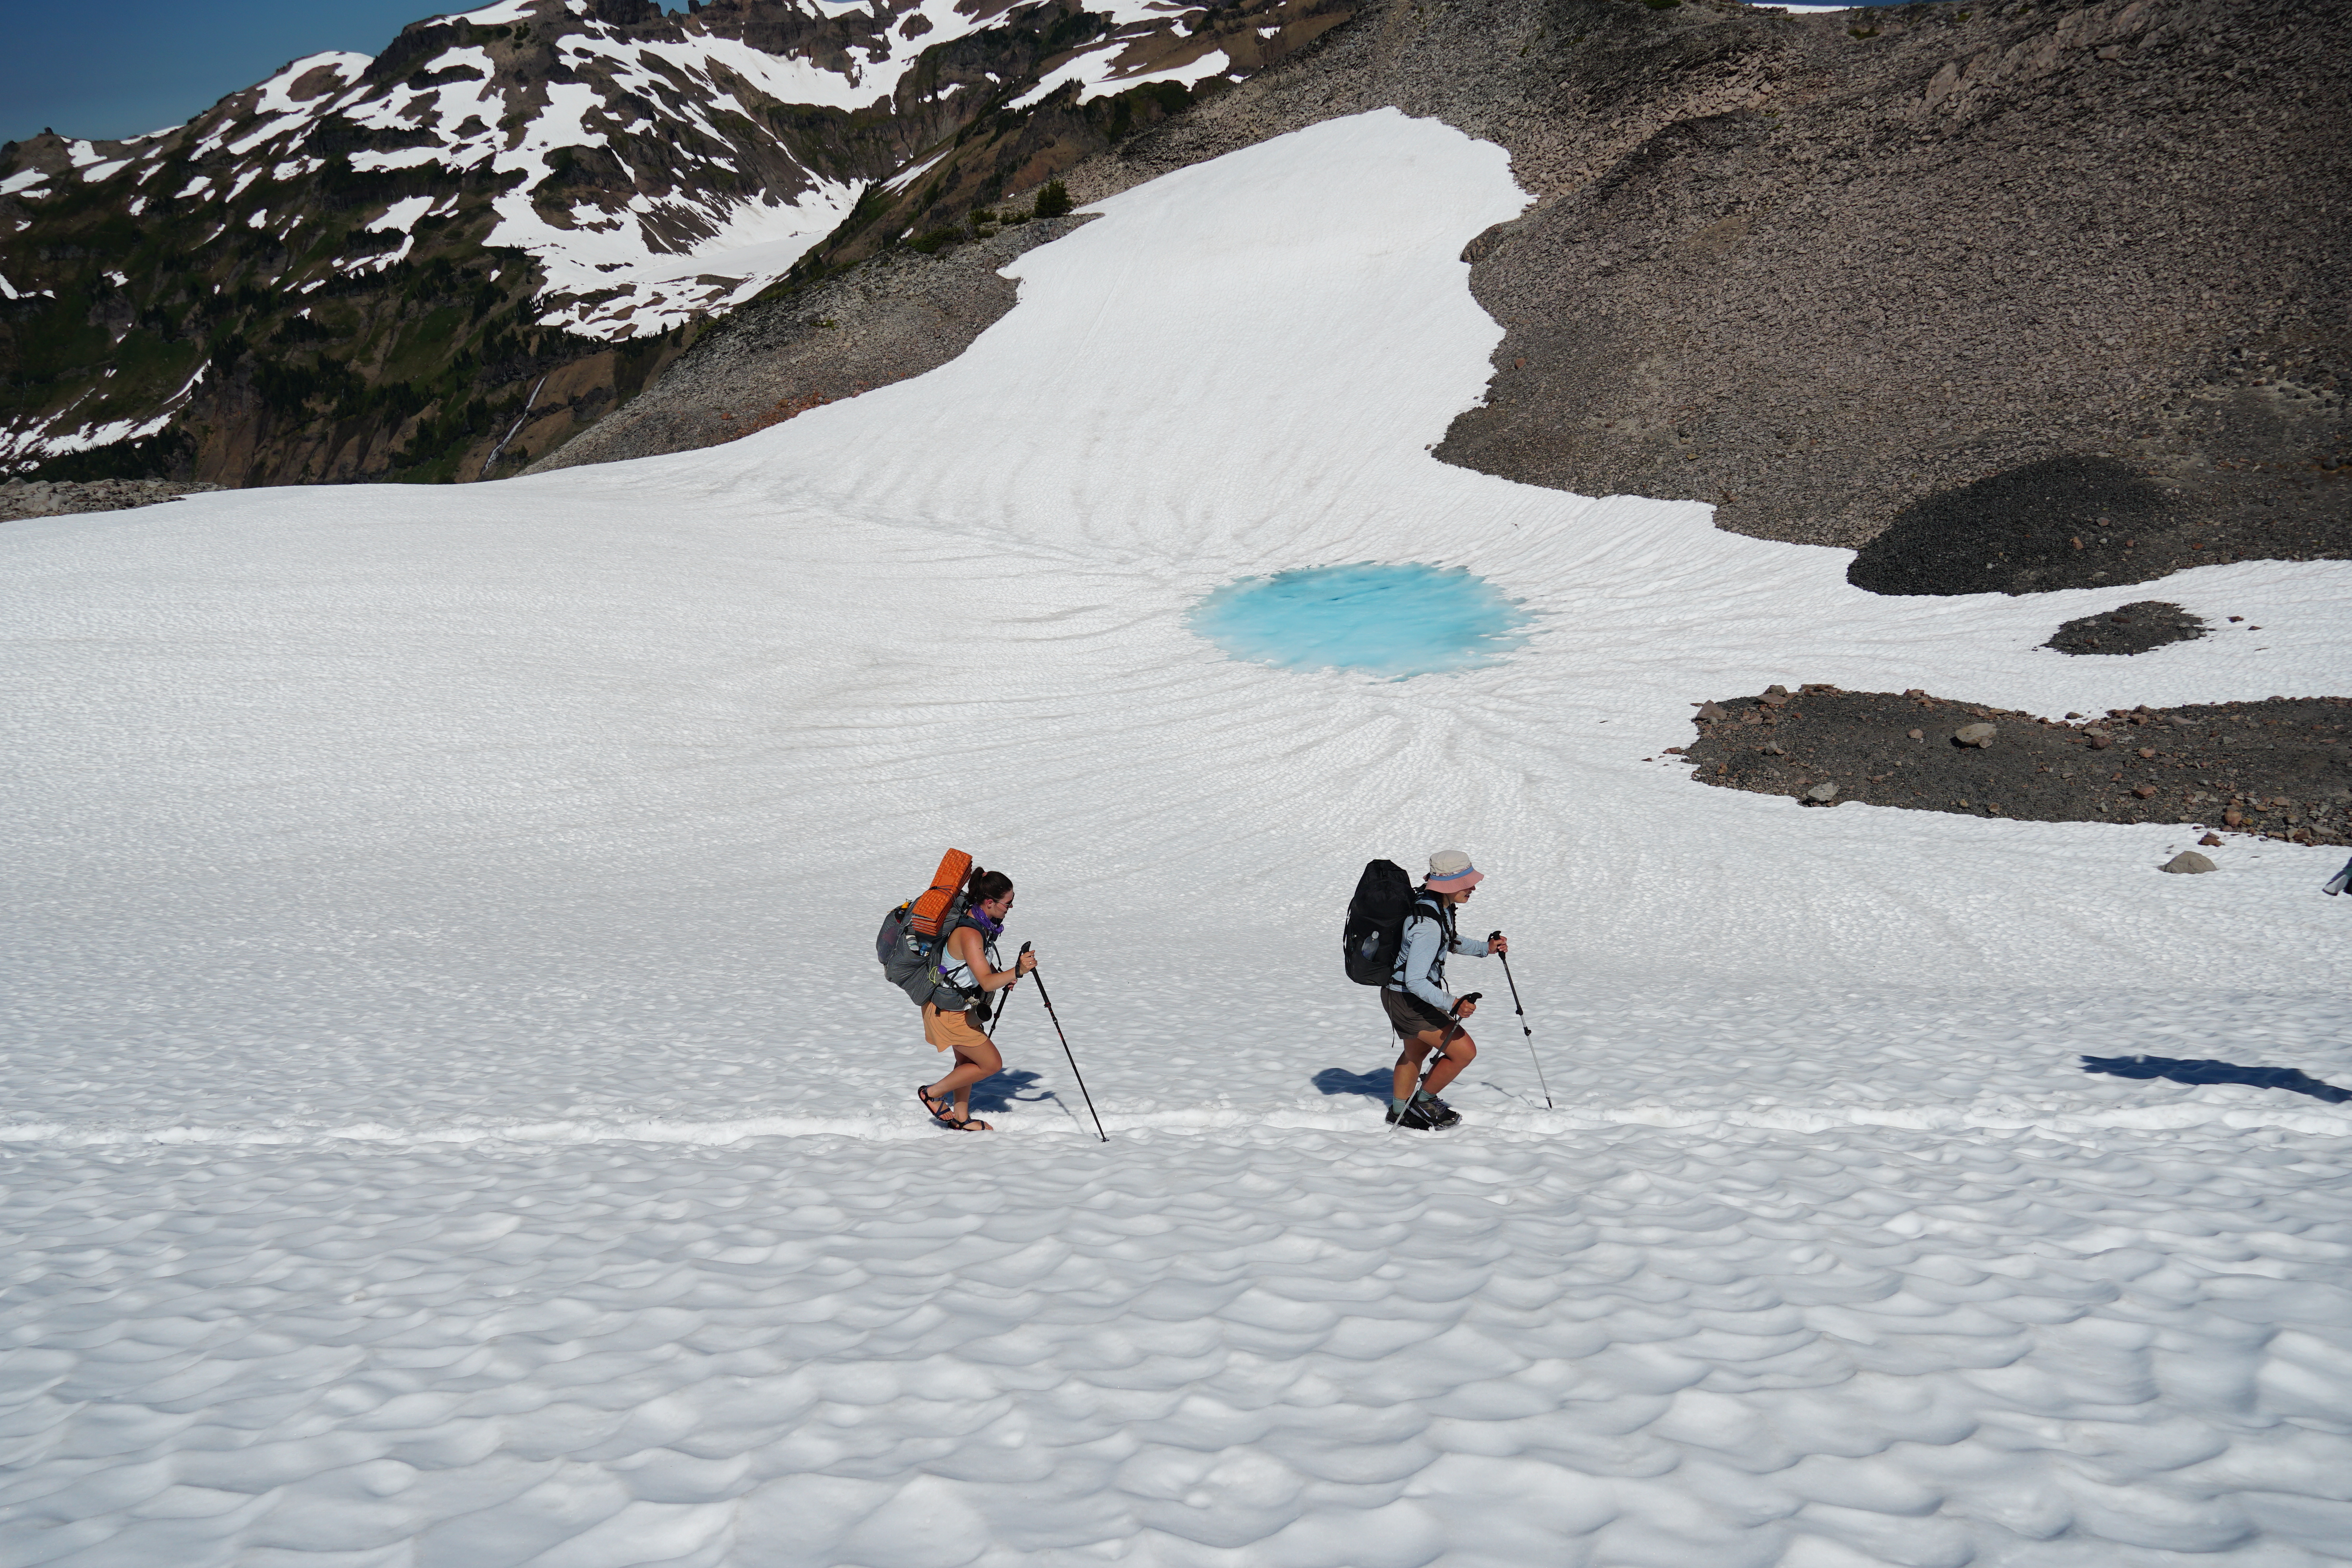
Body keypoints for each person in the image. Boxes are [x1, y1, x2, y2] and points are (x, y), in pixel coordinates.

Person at [1382, 850, 1506, 1129]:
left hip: (1406, 993)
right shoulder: (1428, 924)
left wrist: (1485, 949)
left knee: (1416, 1052)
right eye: (1466, 883)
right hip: (1408, 997)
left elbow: (1449, 939)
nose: (1473, 888)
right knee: (1464, 1052)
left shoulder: (1436, 906)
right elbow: (1415, 980)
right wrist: (1453, 1003)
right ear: (1449, 885)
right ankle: (1423, 1102)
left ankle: (1400, 1111)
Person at [916, 866, 1037, 1131]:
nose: (1011, 908)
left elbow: (978, 969)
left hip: (958, 1008)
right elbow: (985, 980)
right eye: (1009, 903)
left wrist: (1005, 976)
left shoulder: (979, 925)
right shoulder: (971, 933)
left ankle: (961, 1119)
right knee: (991, 1064)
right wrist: (1016, 971)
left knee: (967, 1063)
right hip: (947, 1013)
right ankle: (933, 1093)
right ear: (990, 902)